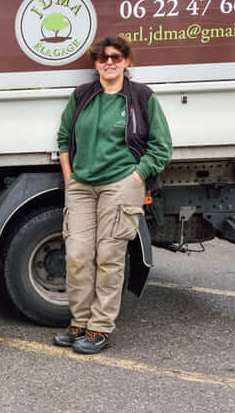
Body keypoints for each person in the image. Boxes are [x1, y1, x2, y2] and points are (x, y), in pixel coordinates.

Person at [54, 35, 172, 354]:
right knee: (77, 255)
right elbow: (64, 138)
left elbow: (161, 147)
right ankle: (79, 322)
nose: (109, 62)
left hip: (120, 185)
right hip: (81, 186)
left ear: (127, 61)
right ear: (96, 63)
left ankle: (100, 328)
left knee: (109, 257)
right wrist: (70, 176)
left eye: (116, 57)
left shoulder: (141, 97)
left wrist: (136, 176)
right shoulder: (82, 96)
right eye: (103, 57)